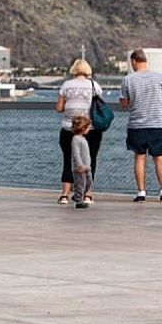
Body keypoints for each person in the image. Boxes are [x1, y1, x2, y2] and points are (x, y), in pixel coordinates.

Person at [119, 49, 162, 202]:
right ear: (145, 61)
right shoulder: (158, 77)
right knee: (159, 157)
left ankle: (141, 193)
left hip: (137, 124)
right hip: (156, 123)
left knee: (139, 158)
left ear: (134, 62)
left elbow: (124, 103)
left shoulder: (128, 80)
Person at [54, 58, 105, 204]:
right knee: (90, 160)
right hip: (90, 129)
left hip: (68, 128)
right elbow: (99, 106)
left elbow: (59, 108)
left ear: (74, 70)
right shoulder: (94, 85)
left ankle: (64, 195)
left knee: (68, 160)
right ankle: (87, 194)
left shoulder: (66, 85)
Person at [67, 115, 95, 210]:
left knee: (89, 182)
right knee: (80, 184)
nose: (89, 129)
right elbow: (76, 153)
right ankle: (78, 200)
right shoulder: (76, 139)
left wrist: (88, 165)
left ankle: (77, 196)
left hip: (87, 166)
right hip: (80, 167)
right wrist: (79, 165)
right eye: (87, 127)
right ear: (82, 128)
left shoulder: (83, 139)